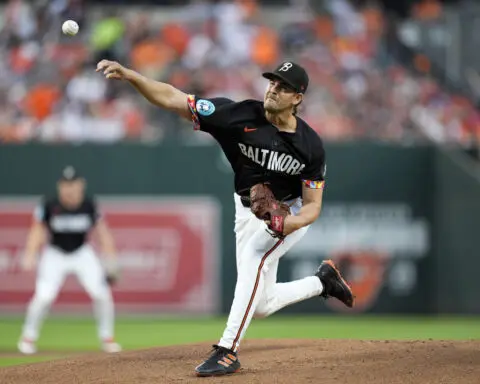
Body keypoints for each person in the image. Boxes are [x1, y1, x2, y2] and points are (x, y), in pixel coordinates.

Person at [96, 59, 354, 376]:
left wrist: (288, 224)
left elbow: (313, 206)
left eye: (283, 86)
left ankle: (227, 350)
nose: (273, 89)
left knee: (254, 254)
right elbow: (172, 98)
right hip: (246, 208)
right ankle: (322, 282)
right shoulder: (237, 115)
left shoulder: (311, 146)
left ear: (297, 98)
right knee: (260, 305)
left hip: (289, 211)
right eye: (272, 82)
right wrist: (133, 75)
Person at [17, 166, 122, 355]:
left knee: (102, 294)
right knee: (44, 296)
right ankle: (27, 337)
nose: (69, 189)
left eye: (73, 184)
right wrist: (30, 253)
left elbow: (102, 232)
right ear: (59, 187)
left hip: (82, 252)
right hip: (55, 253)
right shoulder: (49, 204)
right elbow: (37, 230)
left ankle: (107, 338)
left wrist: (111, 259)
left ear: (81, 185)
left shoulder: (90, 205)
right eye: (65, 185)